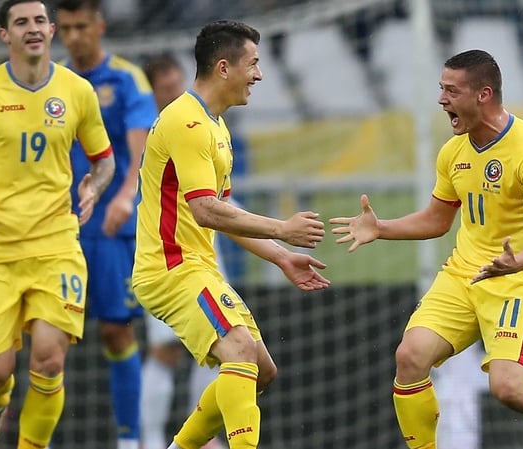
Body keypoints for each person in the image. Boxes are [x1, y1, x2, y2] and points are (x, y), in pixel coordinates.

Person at [329, 49, 523, 449]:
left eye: (451, 91)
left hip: (518, 280)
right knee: (410, 356)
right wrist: (381, 227)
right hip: (463, 274)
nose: (441, 100)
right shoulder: (452, 153)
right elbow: (438, 220)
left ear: (483, 94)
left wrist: (516, 262)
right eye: (441, 89)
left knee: (509, 388)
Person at [132, 20, 330, 449]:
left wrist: (279, 255)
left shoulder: (217, 128)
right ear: (224, 68)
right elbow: (205, 211)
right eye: (253, 64)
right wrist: (283, 228)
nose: (259, 74)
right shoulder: (187, 122)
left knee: (261, 370)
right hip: (171, 268)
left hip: (198, 267)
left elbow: (226, 212)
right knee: (238, 350)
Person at [0, 1, 115, 448]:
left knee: (50, 362)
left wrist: (94, 188)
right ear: (4, 35)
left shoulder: (77, 92)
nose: (32, 29)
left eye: (38, 21)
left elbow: (104, 160)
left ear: (51, 30)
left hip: (56, 245)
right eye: (21, 23)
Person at [54, 2, 156, 448]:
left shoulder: (127, 79)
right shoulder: (52, 82)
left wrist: (122, 197)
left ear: (99, 26)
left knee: (116, 330)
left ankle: (129, 439)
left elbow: (141, 154)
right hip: (58, 225)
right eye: (67, 28)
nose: (74, 37)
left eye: (82, 27)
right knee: (49, 336)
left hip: (111, 225)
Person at [139, 52, 229, 449]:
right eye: (165, 88)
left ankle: (202, 438)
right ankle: (151, 439)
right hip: (169, 253)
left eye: (178, 83)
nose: (175, 92)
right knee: (165, 349)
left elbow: (222, 202)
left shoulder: (211, 126)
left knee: (218, 347)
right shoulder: (156, 132)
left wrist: (276, 249)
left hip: (205, 247)